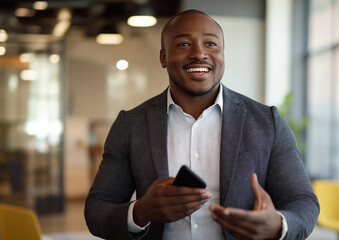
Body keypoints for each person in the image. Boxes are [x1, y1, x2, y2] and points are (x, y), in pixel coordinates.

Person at [85, 9, 320, 240]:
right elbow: (97, 210)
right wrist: (140, 211)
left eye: (210, 44)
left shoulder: (268, 122)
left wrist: (277, 225)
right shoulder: (131, 125)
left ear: (223, 53)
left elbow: (303, 203)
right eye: (184, 44)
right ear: (163, 57)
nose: (199, 54)